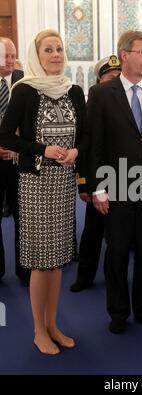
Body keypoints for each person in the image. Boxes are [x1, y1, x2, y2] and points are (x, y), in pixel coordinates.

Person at [0, 29, 88, 354]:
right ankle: (39, 330)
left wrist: (76, 152)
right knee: (40, 261)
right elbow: (6, 135)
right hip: (36, 185)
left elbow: (87, 134)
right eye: (48, 50)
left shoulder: (74, 90)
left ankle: (53, 325)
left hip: (64, 184)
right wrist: (42, 149)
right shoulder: (25, 91)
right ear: (37, 56)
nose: (55, 54)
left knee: (58, 260)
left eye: (59, 49)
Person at [87, 30, 142, 334]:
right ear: (125, 55)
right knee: (117, 253)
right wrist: (97, 187)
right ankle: (118, 312)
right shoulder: (101, 94)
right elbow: (95, 144)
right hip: (116, 186)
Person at [70, 55, 121, 292]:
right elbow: (85, 148)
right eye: (111, 77)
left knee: (119, 236)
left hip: (123, 179)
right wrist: (83, 184)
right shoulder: (90, 104)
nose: (116, 81)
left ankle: (116, 276)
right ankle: (85, 276)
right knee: (92, 232)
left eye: (118, 77)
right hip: (98, 180)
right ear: (99, 80)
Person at [0, 37, 30, 285]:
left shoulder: (25, 81)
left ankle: (24, 269)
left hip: (20, 162)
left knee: (24, 217)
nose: (9, 61)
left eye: (12, 55)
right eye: (3, 56)